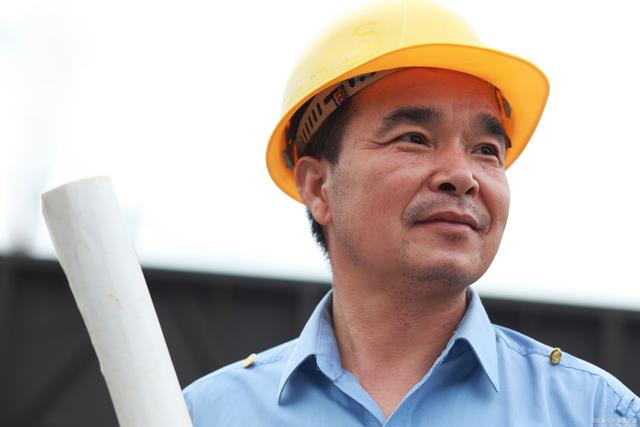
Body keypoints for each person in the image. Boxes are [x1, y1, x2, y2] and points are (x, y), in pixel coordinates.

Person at [183, 1, 640, 425]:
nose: (462, 176)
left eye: (486, 149)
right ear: (318, 187)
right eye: (414, 139)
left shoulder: (597, 413)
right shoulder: (199, 415)